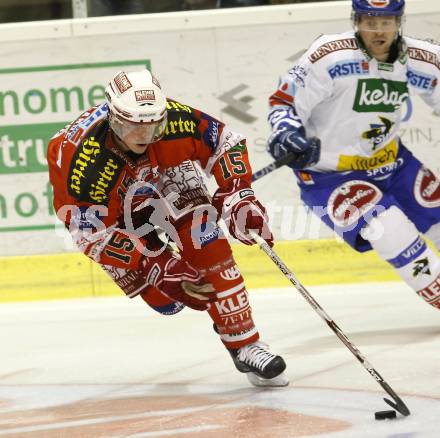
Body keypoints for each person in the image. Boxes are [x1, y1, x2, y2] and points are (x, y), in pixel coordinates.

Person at [47, 69, 288, 387]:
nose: (144, 135)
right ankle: (152, 247)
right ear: (113, 119)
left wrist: (238, 193)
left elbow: (225, 143)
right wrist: (155, 264)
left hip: (167, 172)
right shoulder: (86, 165)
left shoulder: (174, 120)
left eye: (153, 124)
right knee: (168, 301)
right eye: (132, 125)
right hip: (115, 211)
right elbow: (89, 234)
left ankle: (244, 343)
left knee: (207, 240)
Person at [267, 0, 440, 309]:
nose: (378, 31)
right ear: (355, 20)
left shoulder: (418, 59)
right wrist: (285, 134)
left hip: (394, 164)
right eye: (370, 21)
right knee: (391, 232)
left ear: (399, 22)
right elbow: (284, 102)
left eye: (386, 22)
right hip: (328, 178)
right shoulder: (329, 56)